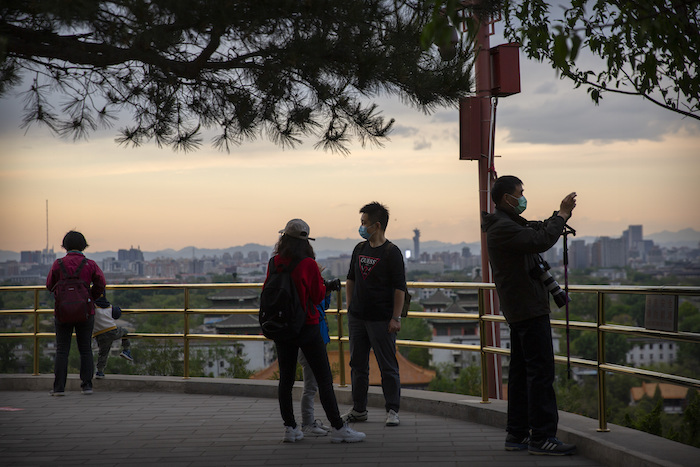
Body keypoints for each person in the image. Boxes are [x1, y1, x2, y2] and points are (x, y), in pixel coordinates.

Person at [481, 175, 577, 456]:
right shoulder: (503, 228)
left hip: (522, 308)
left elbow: (536, 231)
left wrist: (555, 219)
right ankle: (543, 436)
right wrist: (561, 214)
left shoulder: (505, 225)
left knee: (523, 373)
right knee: (540, 373)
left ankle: (518, 434)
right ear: (506, 199)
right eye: (520, 194)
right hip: (528, 308)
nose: (523, 198)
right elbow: (541, 240)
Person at [263, 219, 365, 444]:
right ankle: (338, 428)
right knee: (324, 379)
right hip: (306, 326)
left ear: (283, 238)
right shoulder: (308, 263)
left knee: (286, 380)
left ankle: (290, 428)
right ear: (306, 241)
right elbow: (317, 296)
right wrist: (323, 285)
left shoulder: (274, 262)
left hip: (282, 327)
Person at [344, 202, 406, 427]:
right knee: (357, 365)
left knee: (387, 365)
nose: (361, 227)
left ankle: (392, 410)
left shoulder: (392, 253)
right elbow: (350, 279)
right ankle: (359, 409)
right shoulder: (359, 249)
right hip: (357, 318)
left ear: (377, 225)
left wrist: (395, 318)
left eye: (364, 223)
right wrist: (350, 306)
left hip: (382, 319)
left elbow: (400, 288)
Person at [46, 231, 106, 396]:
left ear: (64, 246)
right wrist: (89, 298)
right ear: (83, 245)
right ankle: (87, 386)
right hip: (85, 312)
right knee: (85, 349)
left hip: (63, 311)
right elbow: (101, 283)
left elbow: (49, 285)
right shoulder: (89, 264)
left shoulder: (58, 264)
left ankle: (59, 388)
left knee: (62, 350)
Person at [297, 291, 333, 437]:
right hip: (310, 342)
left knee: (313, 385)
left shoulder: (313, 293)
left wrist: (327, 292)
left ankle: (310, 421)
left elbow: (324, 307)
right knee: (310, 386)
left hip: (318, 341)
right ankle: (307, 422)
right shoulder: (306, 294)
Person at [93, 292, 133, 379]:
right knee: (125, 331)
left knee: (103, 353)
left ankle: (100, 371)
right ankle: (126, 350)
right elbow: (117, 314)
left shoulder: (93, 307)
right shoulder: (110, 307)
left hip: (99, 334)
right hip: (111, 331)